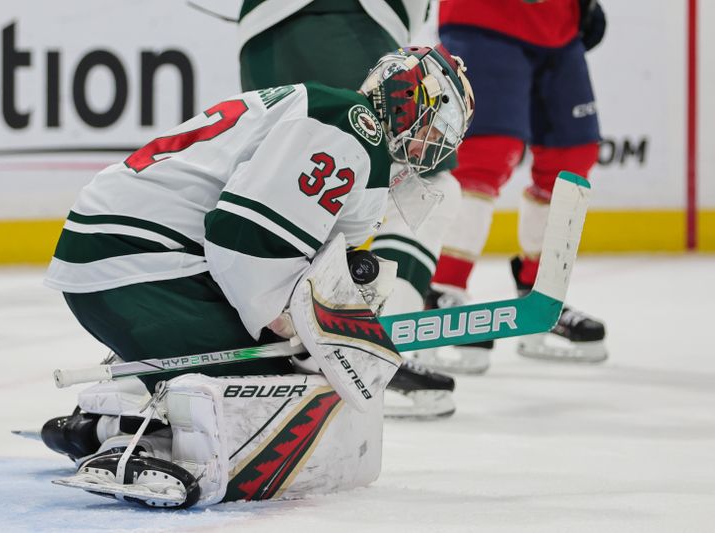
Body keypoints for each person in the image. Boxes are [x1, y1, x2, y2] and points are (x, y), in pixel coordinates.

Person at [40, 44, 474, 508]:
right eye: (435, 124)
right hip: (142, 264)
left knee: (278, 371)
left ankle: (102, 418)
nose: (434, 143)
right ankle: (131, 440)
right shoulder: (351, 126)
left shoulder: (339, 121)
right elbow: (243, 240)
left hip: (122, 259)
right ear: (410, 103)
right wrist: (292, 322)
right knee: (274, 391)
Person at [239, 0, 469, 417]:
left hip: (262, 31)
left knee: (302, 173)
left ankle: (303, 342)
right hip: (353, 16)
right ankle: (373, 352)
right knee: (426, 181)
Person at [410, 0, 609, 375]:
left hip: (558, 24)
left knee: (572, 153)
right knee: (485, 153)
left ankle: (542, 293)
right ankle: (441, 294)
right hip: (484, 19)